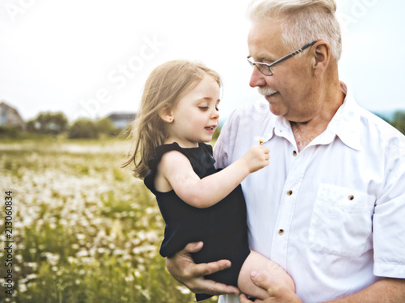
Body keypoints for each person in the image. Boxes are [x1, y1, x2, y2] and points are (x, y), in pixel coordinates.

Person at [166, 0, 405, 303]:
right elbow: (201, 213)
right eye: (252, 62)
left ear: (318, 56)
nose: (253, 80)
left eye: (266, 63)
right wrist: (179, 257)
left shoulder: (391, 155)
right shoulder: (240, 126)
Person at [122, 60, 295, 301]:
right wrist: (244, 165)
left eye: (216, 105)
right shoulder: (171, 157)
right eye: (203, 107)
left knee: (282, 284)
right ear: (167, 112)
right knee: (280, 285)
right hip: (218, 252)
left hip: (231, 246)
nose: (215, 114)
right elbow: (198, 194)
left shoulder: (199, 150)